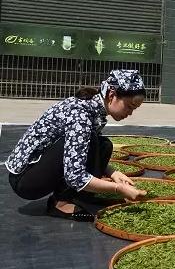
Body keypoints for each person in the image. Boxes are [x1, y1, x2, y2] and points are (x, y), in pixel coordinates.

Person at [5, 69, 148, 222]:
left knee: (103, 144)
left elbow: (88, 150)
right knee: (92, 142)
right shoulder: (81, 115)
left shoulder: (93, 108)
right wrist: (117, 188)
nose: (130, 113)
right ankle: (60, 203)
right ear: (112, 95)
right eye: (129, 106)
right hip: (26, 179)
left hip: (39, 169)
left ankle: (79, 197)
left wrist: (113, 173)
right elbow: (75, 176)